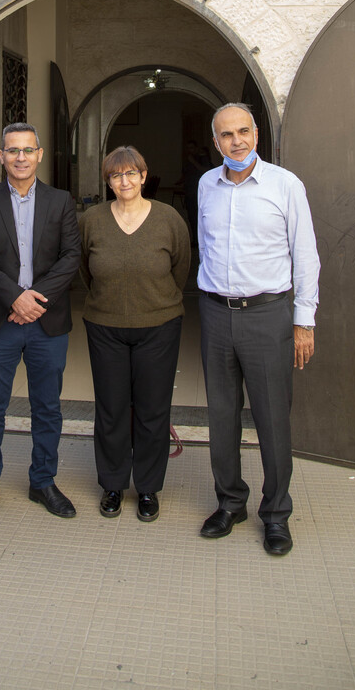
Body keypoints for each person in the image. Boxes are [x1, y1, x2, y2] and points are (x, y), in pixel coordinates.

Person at [196, 102, 320, 556]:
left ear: (256, 134)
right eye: (227, 135)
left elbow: (305, 256)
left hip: (268, 315)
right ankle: (230, 503)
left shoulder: (285, 186)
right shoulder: (206, 185)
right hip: (215, 313)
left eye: (244, 131)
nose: (237, 141)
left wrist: (303, 320)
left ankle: (276, 514)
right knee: (221, 416)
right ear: (216, 142)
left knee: (271, 420)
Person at [0, 122, 81, 523]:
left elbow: (70, 258)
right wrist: (15, 297)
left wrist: (34, 300)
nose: (21, 158)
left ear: (40, 154)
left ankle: (43, 481)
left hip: (46, 320)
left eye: (28, 150)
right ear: (1, 156)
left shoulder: (61, 200)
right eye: (12, 151)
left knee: (47, 407)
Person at [79, 146, 190, 522]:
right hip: (105, 326)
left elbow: (181, 268)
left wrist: (154, 302)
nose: (123, 182)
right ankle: (112, 483)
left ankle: (147, 488)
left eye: (131, 174)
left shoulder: (169, 219)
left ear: (144, 176)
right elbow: (85, 270)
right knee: (110, 409)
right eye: (115, 175)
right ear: (108, 180)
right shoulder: (91, 219)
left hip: (158, 327)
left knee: (152, 410)